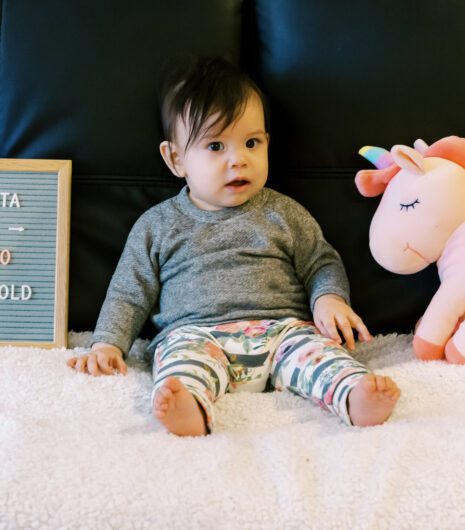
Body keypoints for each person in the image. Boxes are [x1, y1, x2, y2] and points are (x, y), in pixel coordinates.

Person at [67, 57, 400, 436]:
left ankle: (353, 394)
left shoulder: (284, 212)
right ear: (176, 158)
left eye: (251, 143)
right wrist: (108, 344)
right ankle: (188, 405)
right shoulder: (156, 226)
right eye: (215, 146)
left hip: (282, 332)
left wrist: (329, 298)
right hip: (196, 335)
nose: (238, 160)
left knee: (320, 355)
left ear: (267, 143)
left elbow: (321, 262)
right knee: (181, 363)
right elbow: (129, 293)